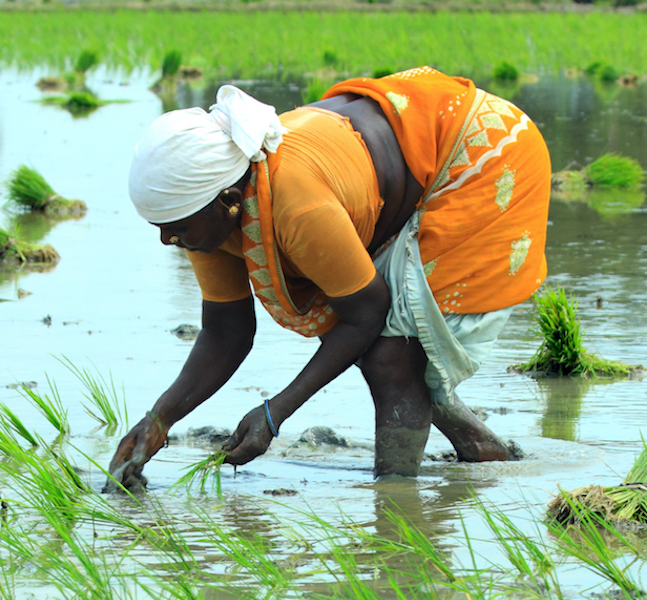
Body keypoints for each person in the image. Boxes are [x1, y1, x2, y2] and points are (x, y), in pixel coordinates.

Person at [106, 66, 550, 491]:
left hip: (476, 155)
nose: (168, 240)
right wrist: (158, 421)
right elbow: (227, 331)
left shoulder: (296, 205)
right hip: (402, 145)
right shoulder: (209, 214)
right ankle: (479, 450)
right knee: (378, 349)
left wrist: (275, 412)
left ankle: (397, 504)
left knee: (390, 355)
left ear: (230, 200)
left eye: (176, 227)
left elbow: (366, 312)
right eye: (161, 228)